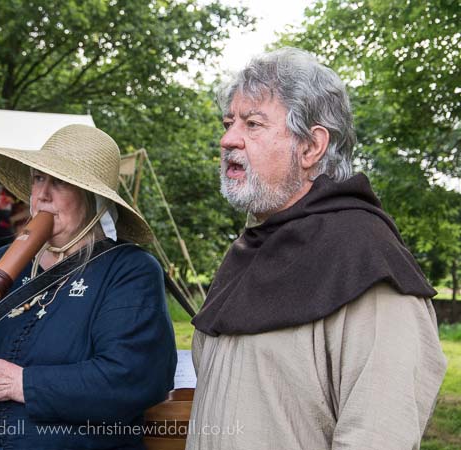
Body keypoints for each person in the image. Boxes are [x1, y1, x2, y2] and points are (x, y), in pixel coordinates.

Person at [186, 48, 447, 450]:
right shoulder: (248, 248)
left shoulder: (365, 259)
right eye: (228, 122)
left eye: (252, 124)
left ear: (311, 147)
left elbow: (377, 436)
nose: (227, 140)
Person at [0, 124, 177, 449]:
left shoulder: (130, 270)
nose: (41, 194)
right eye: (38, 178)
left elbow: (134, 376)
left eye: (58, 182)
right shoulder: (0, 260)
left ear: (93, 199)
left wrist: (22, 383)